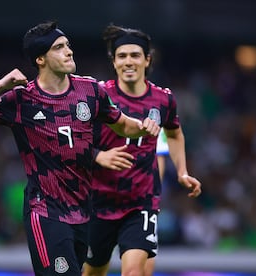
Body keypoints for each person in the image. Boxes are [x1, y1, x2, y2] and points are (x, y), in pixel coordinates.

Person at [0, 21, 159, 275]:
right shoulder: (21, 99)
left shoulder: (90, 90)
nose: (69, 51)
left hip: (83, 213)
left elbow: (123, 126)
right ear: (40, 59)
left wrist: (143, 127)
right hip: (46, 212)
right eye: (59, 47)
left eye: (68, 45)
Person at [82, 24, 202, 276]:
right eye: (122, 56)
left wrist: (182, 171)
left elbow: (175, 132)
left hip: (141, 203)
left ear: (147, 60)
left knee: (135, 272)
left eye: (135, 55)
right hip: (98, 201)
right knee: (93, 272)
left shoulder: (163, 99)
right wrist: (99, 156)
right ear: (113, 62)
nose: (128, 61)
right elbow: (72, 140)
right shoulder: (97, 96)